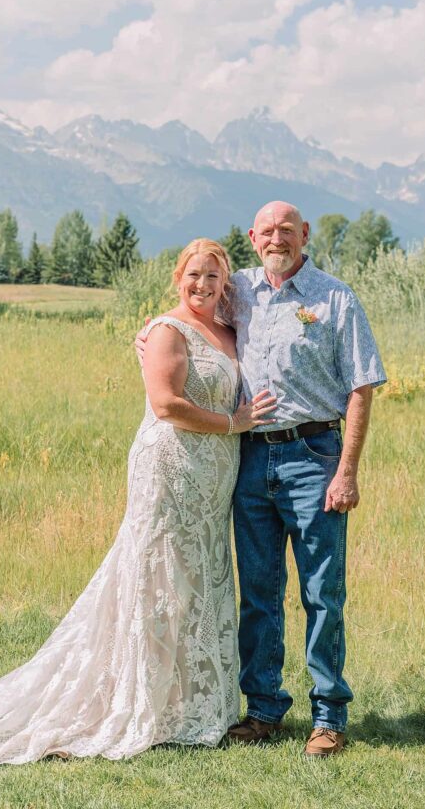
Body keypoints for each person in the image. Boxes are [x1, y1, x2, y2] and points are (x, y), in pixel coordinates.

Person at [0, 239, 275, 765]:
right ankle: (143, 703)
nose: (203, 285)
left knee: (197, 579)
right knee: (159, 579)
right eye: (194, 275)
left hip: (214, 478)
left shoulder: (226, 330)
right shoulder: (167, 330)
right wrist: (231, 424)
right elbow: (166, 404)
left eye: (214, 277)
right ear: (178, 278)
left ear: (226, 285)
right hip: (170, 468)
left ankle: (193, 705)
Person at [137, 201, 386, 757]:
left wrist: (347, 470)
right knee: (259, 593)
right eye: (267, 232)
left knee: (323, 593)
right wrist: (152, 335)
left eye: (287, 231)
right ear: (253, 237)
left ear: (305, 234)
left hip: (315, 456)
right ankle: (264, 709)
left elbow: (362, 386)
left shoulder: (334, 297)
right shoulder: (239, 289)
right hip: (250, 460)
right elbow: (189, 303)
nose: (278, 239)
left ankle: (329, 718)